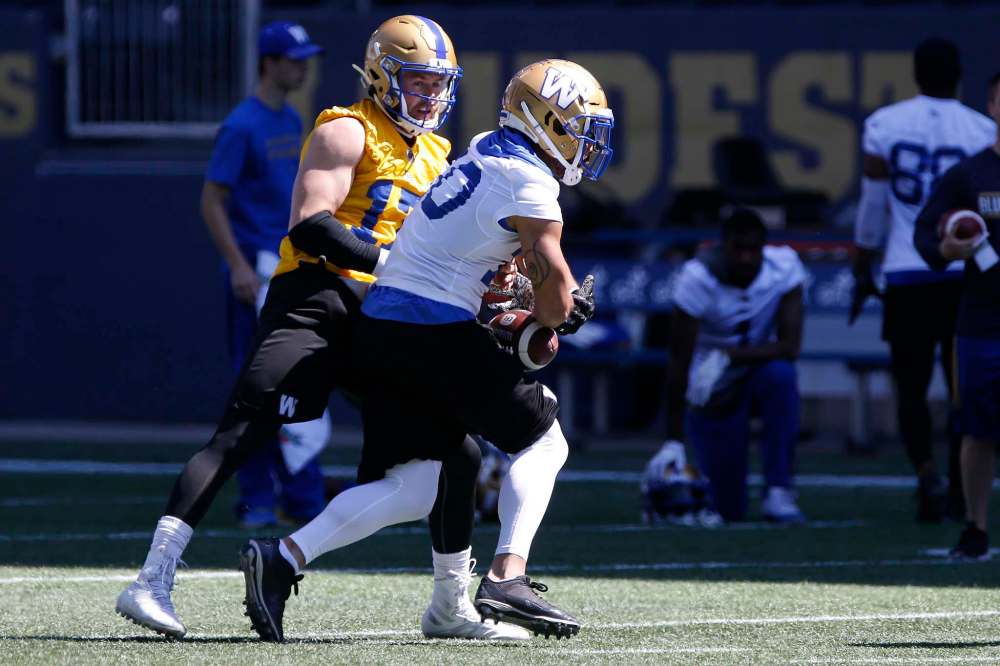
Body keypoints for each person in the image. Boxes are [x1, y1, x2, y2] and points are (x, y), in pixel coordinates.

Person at [116, 15, 495, 640]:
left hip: (384, 316)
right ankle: (150, 580)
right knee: (242, 432)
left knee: (457, 450)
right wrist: (391, 261)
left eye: (438, 83)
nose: (431, 95)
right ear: (380, 75)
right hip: (316, 299)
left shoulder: (435, 150)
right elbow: (311, 224)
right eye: (419, 81)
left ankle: (450, 605)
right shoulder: (346, 129)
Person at [239, 58, 608, 642]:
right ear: (544, 121)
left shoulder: (488, 149)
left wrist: (516, 303)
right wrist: (549, 316)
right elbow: (557, 304)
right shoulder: (531, 182)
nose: (586, 141)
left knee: (422, 480)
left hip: (382, 327)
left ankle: (285, 558)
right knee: (545, 437)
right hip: (431, 327)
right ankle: (508, 575)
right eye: (576, 126)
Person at [851, 38, 996, 522]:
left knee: (910, 386)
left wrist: (861, 262)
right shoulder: (979, 128)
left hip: (905, 266)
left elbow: (873, 204)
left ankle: (926, 473)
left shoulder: (884, 124)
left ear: (914, 73)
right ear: (959, 74)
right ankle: (958, 487)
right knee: (962, 388)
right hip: (965, 270)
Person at [201, 20, 328, 529]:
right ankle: (257, 497)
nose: (301, 68)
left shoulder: (290, 119)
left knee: (299, 379)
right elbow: (211, 200)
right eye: (293, 59)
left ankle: (301, 495)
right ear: (269, 62)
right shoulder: (242, 125)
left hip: (287, 266)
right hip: (255, 268)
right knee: (254, 387)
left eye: (304, 59)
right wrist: (235, 264)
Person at [656, 209, 807, 524]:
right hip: (711, 381)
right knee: (727, 510)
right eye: (738, 249)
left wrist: (730, 355)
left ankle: (779, 489)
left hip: (756, 367)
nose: (746, 258)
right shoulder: (697, 278)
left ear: (764, 248)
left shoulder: (784, 267)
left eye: (753, 250)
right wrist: (673, 439)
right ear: (722, 247)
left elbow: (790, 347)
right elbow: (678, 362)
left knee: (781, 376)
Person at [914, 72, 1000, 560]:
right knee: (978, 427)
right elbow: (927, 235)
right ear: (991, 105)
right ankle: (975, 525)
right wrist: (946, 247)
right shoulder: (969, 175)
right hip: (983, 321)